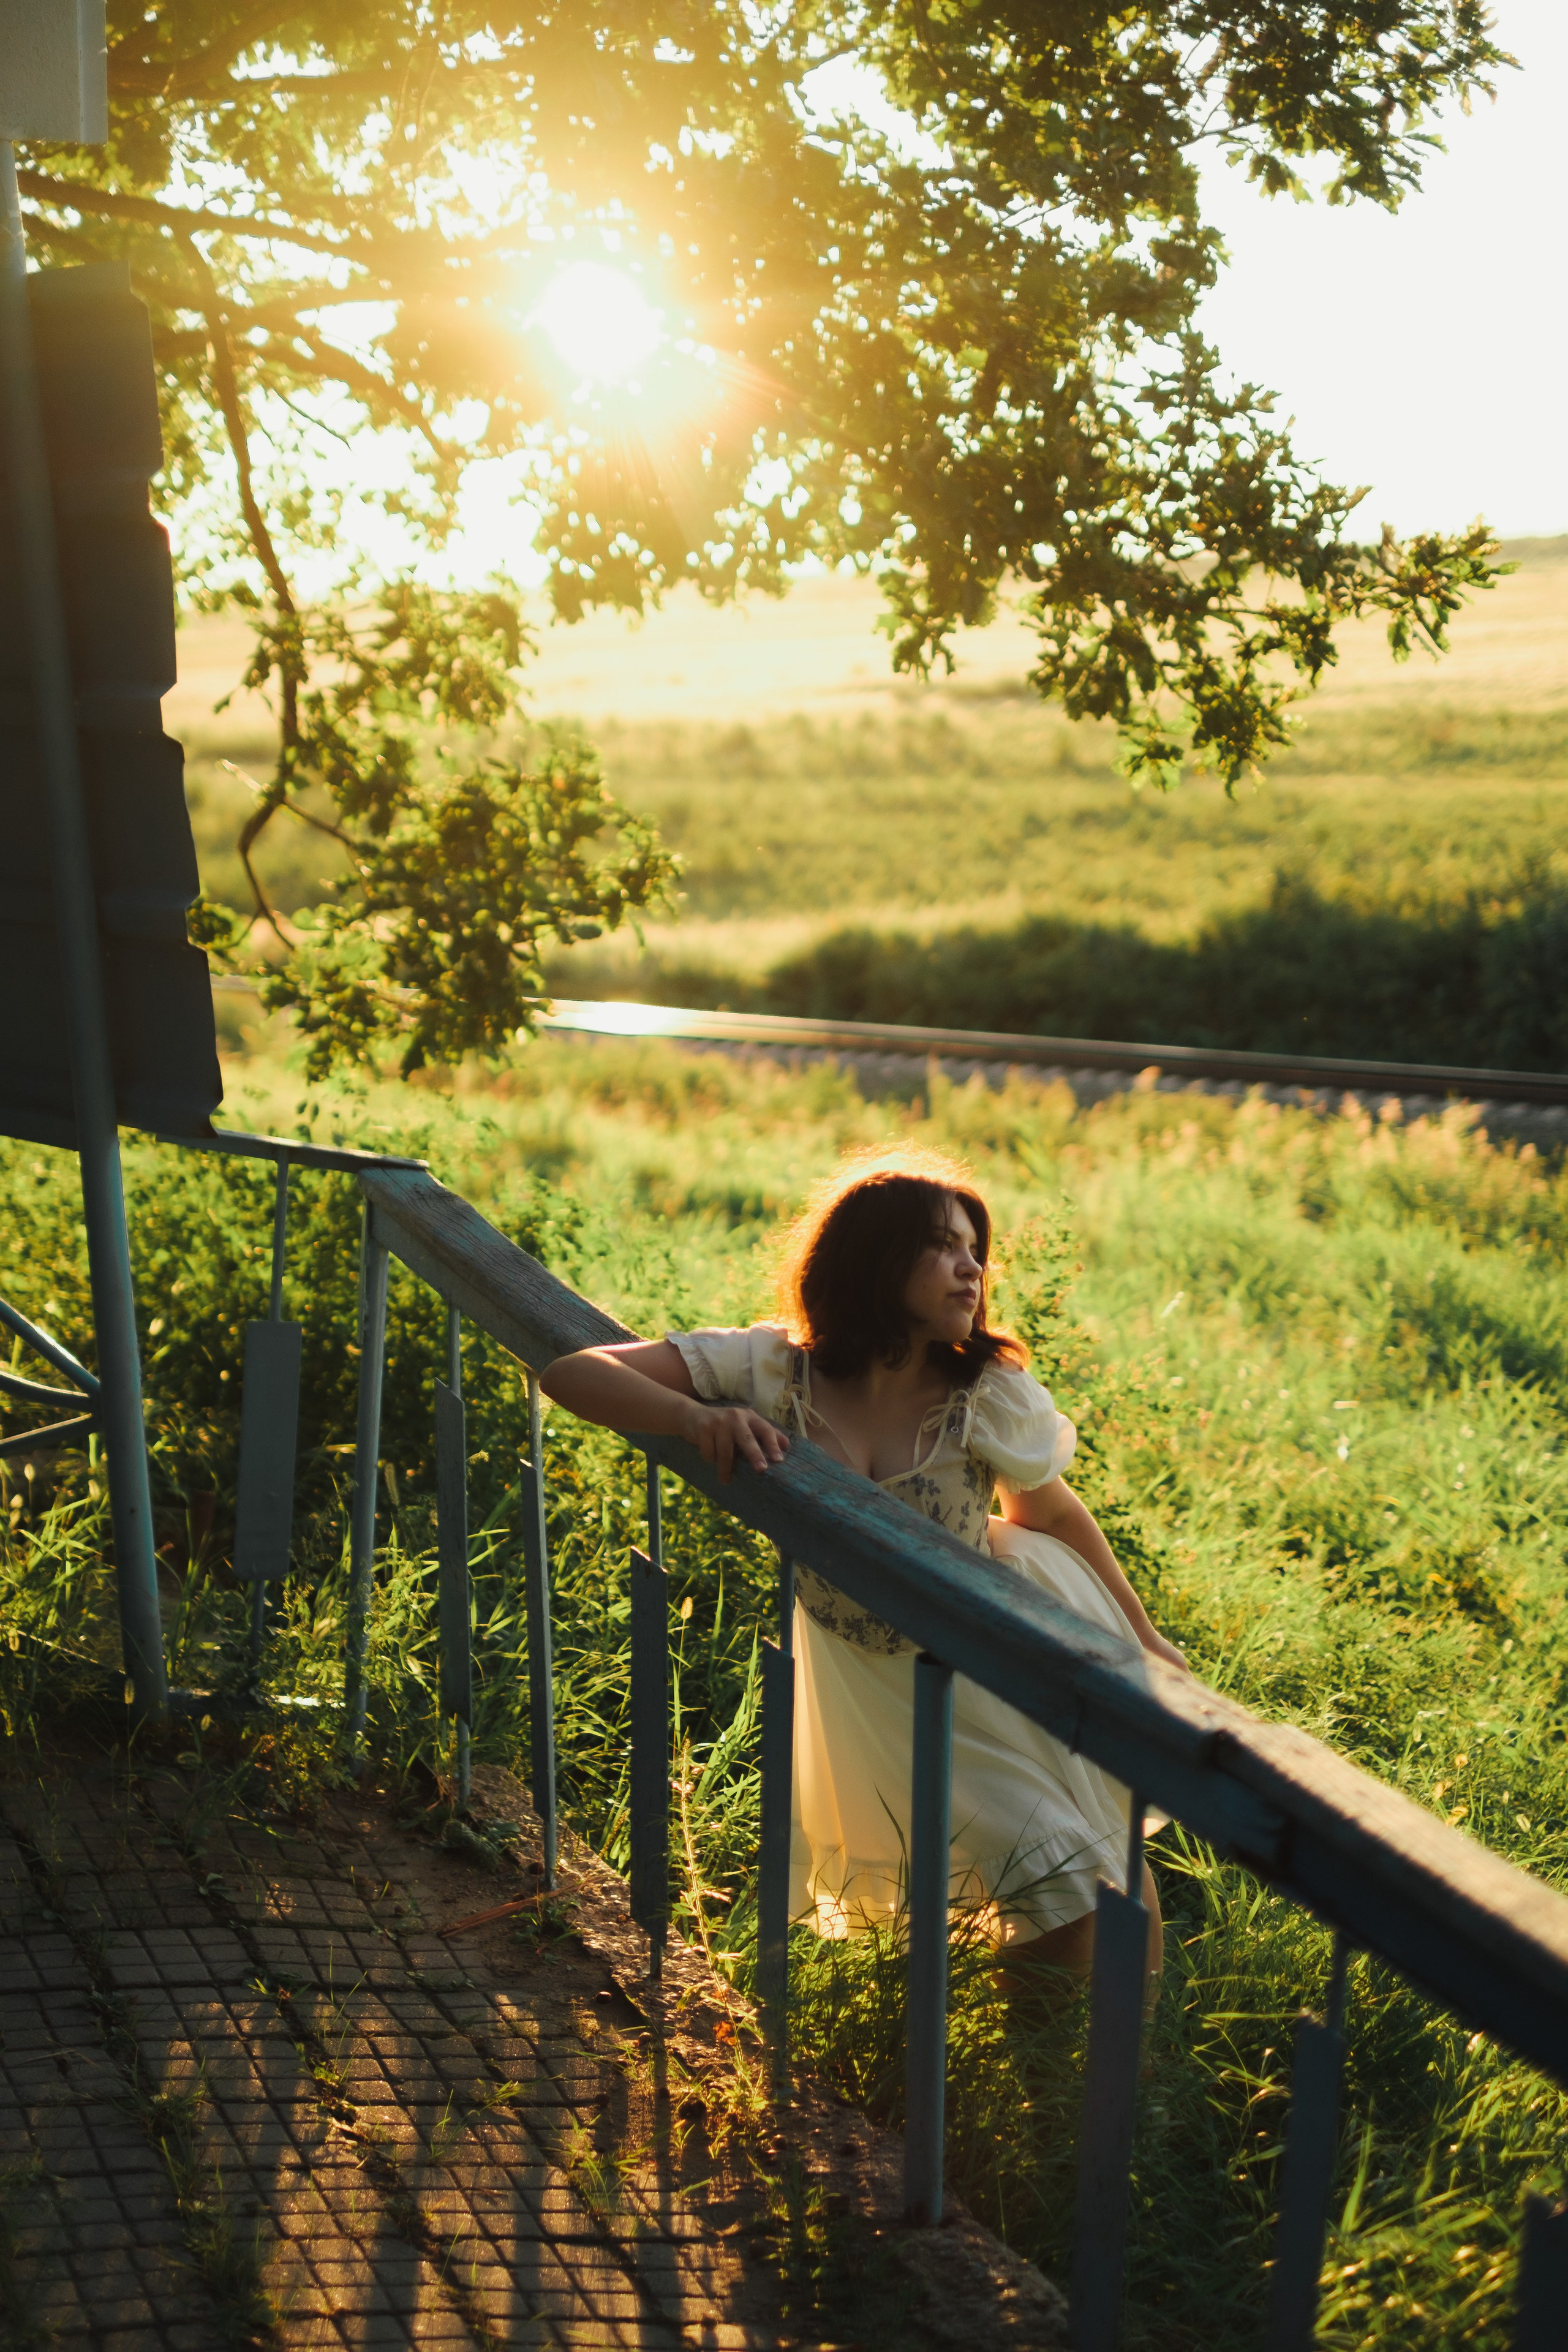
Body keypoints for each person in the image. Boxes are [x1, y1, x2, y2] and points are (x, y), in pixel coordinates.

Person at [540, 1146, 1187, 1985]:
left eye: (976, 1252)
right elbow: (571, 1373)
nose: (972, 1270)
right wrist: (692, 1418)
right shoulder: (774, 1369)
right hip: (870, 1682)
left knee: (1084, 1887)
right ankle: (1048, 2092)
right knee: (1049, 1890)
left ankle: (1096, 2092)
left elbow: (1052, 1515)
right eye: (946, 1248)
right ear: (876, 1259)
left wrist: (1141, 1636)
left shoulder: (984, 1393)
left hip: (998, 1655)